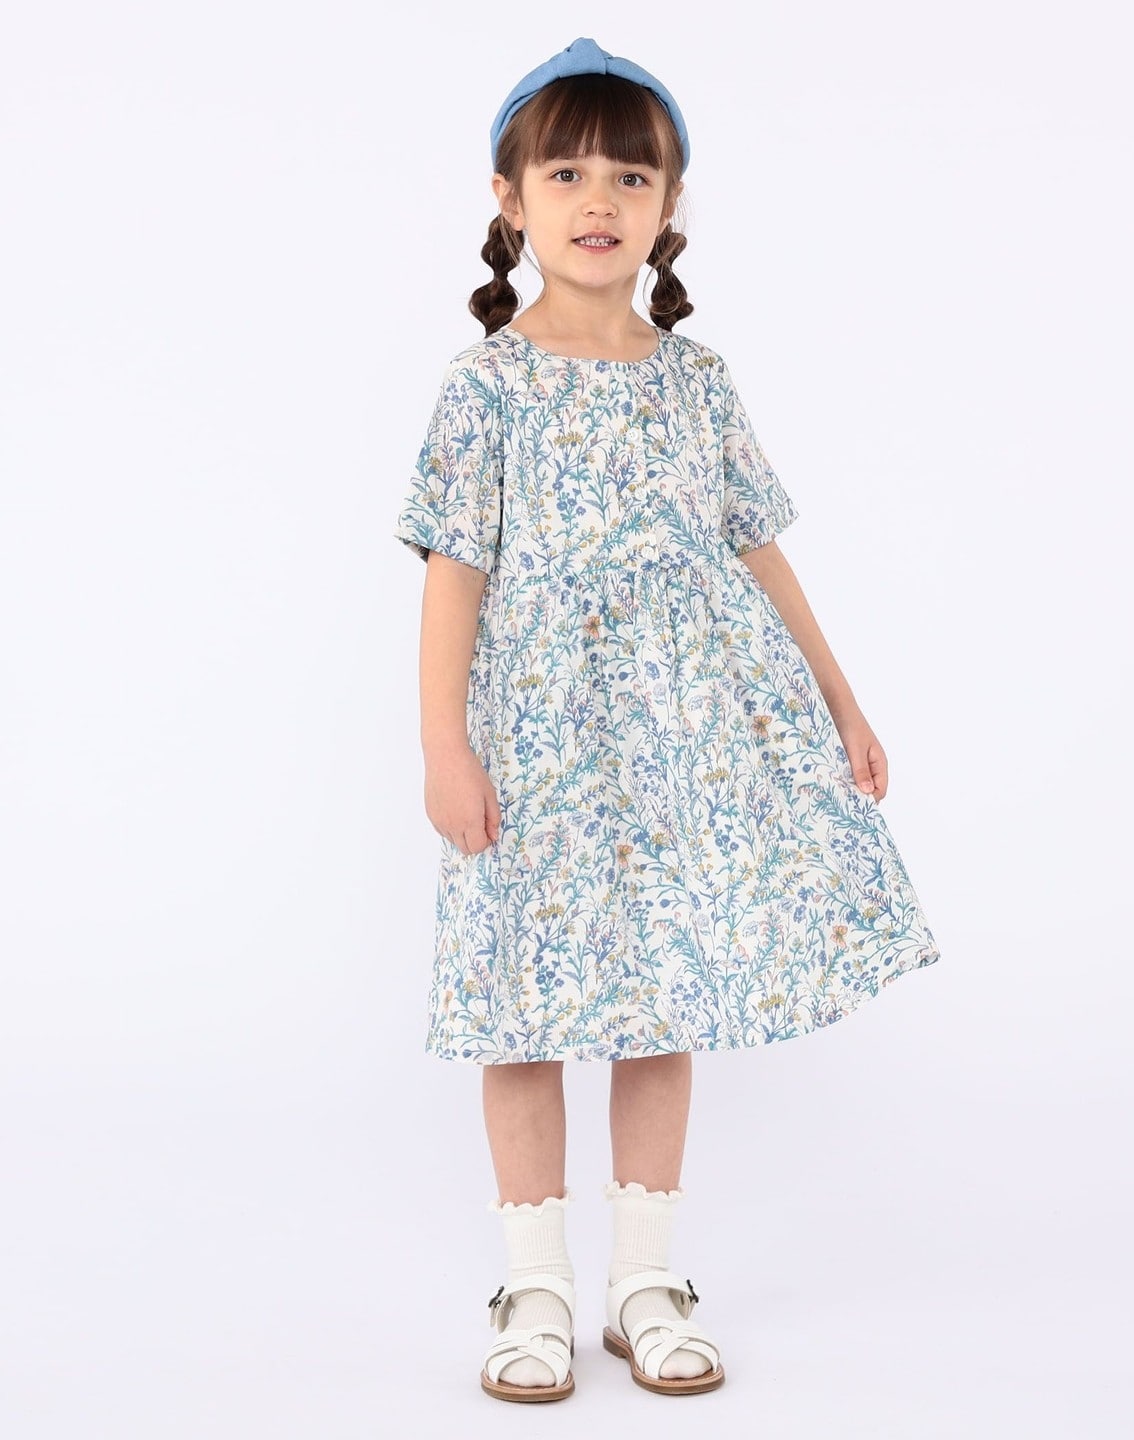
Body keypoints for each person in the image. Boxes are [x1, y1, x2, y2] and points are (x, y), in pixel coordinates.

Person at [393, 36, 942, 1403]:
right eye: (567, 173)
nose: (600, 199)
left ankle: (645, 1279)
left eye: (631, 177)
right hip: (537, 747)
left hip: (686, 742)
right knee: (520, 1006)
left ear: (669, 204)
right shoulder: (485, 387)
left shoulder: (698, 382)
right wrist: (444, 745)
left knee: (661, 996)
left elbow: (758, 547)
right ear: (510, 198)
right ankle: (534, 1287)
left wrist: (841, 698)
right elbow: (454, 574)